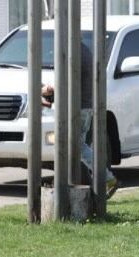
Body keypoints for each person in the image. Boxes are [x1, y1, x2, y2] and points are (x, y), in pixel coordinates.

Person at [41, 42, 118, 198]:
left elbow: (67, 83)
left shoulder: (74, 53)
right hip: (84, 106)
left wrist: (47, 90)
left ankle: (107, 178)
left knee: (76, 147)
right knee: (75, 149)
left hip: (78, 107)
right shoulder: (83, 49)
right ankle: (89, 186)